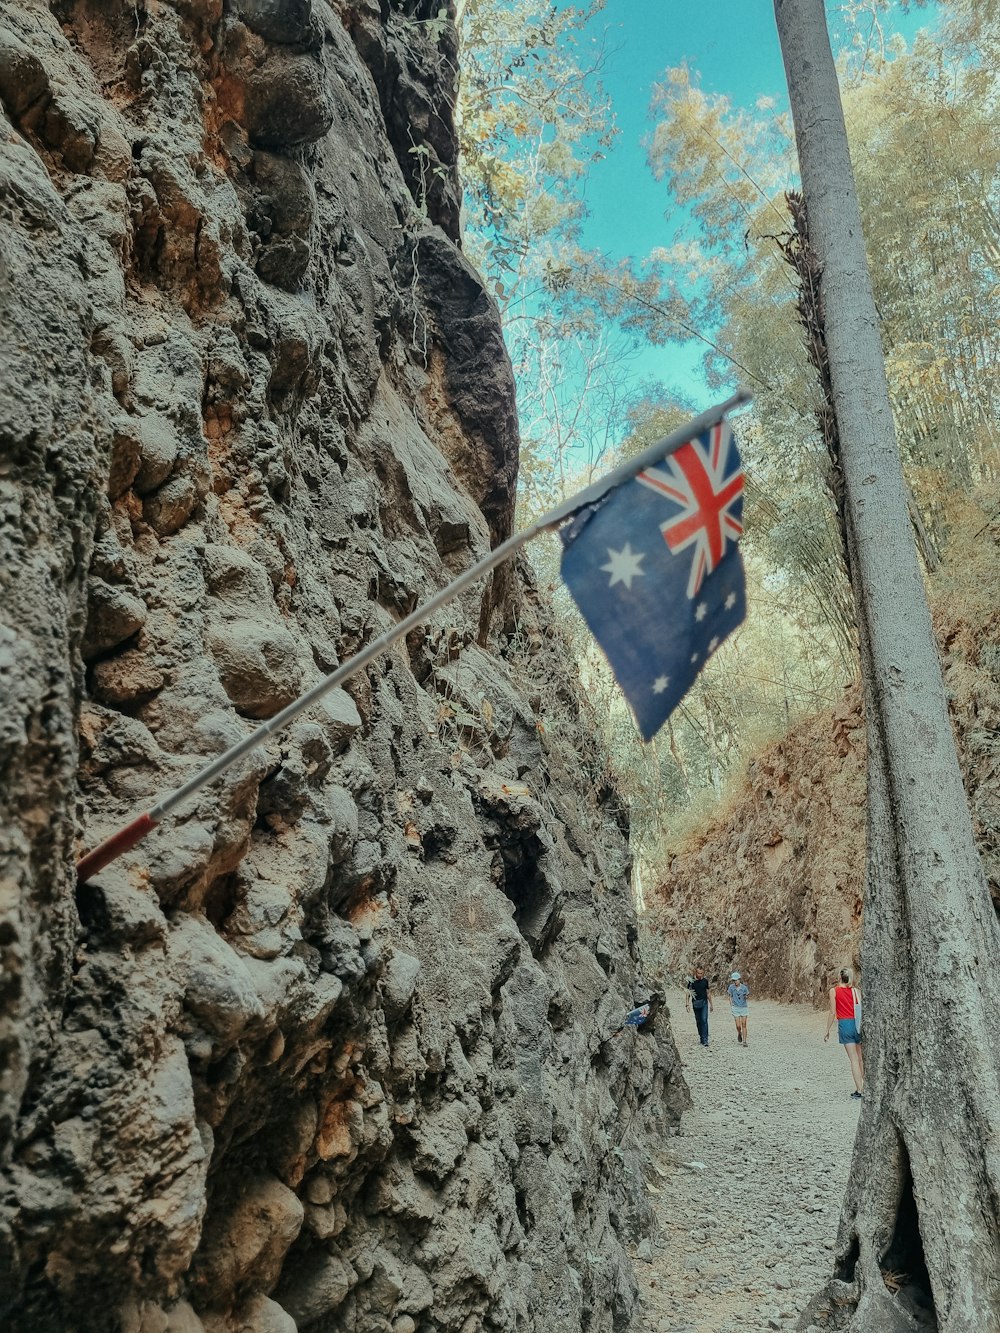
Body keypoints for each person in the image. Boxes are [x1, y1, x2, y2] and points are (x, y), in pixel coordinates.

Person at [824, 968, 864, 1098]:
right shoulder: (856, 991)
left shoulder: (834, 991)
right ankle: (867, 1086)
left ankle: (860, 1089)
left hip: (845, 1025)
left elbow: (832, 1012)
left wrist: (827, 1030)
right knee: (860, 1058)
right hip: (857, 1024)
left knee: (853, 1059)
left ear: (839, 977)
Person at [685, 967, 712, 1045]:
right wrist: (687, 1004)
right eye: (698, 973)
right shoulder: (691, 982)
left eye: (701, 973)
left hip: (704, 1003)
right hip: (696, 1003)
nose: (700, 975)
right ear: (695, 973)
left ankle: (705, 1039)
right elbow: (688, 993)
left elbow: (708, 993)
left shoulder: (705, 981)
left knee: (704, 1020)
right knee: (699, 1021)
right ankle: (701, 1036)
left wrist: (711, 1004)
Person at [727, 971, 749, 1045]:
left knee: (744, 1024)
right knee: (738, 1026)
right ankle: (739, 1033)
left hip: (743, 1007)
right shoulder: (731, 987)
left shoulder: (744, 988)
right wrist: (731, 1005)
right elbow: (729, 996)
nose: (735, 982)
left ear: (739, 979)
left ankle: (744, 1041)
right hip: (735, 1007)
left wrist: (745, 996)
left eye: (736, 980)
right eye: (734, 980)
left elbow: (747, 995)